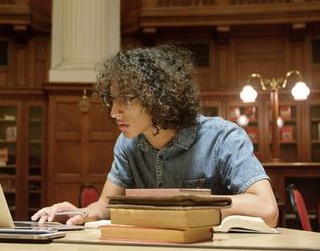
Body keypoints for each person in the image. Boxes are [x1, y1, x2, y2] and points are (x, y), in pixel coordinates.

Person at [32, 45, 279, 227]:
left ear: (158, 98)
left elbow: (267, 209)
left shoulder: (223, 138)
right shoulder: (127, 143)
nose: (113, 111)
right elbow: (106, 205)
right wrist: (80, 212)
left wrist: (187, 204)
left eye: (126, 100)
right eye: (112, 99)